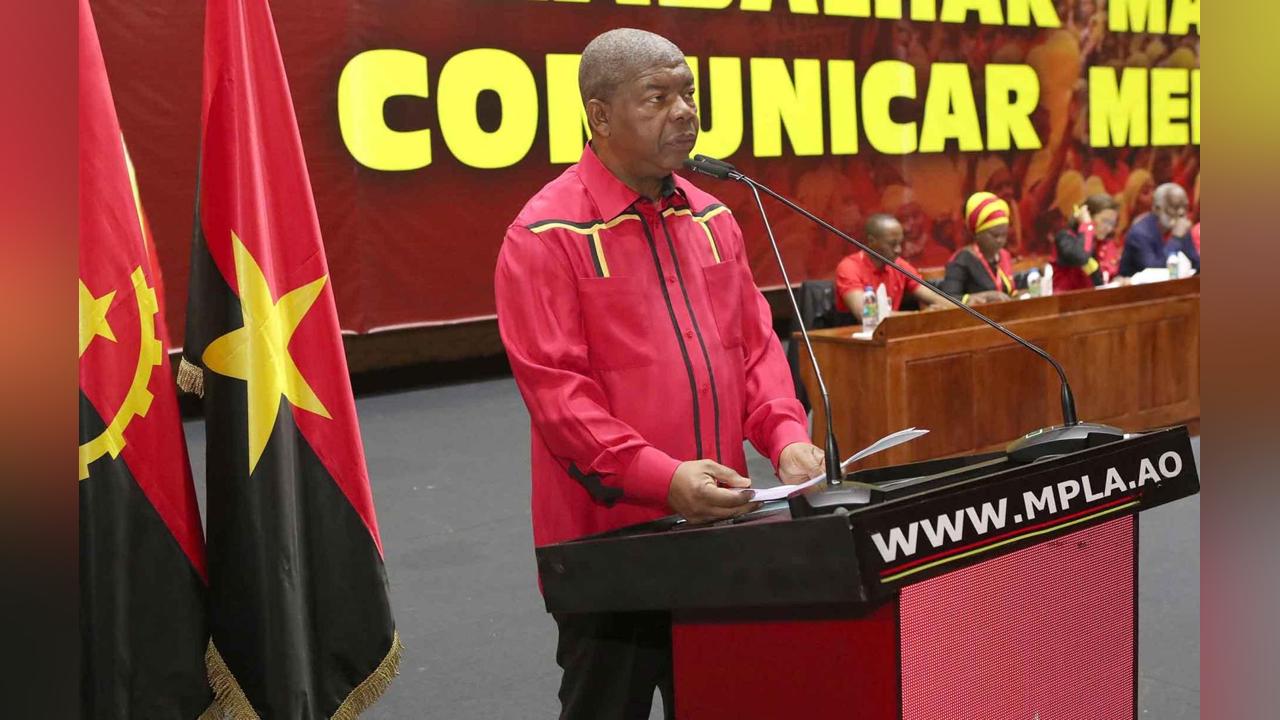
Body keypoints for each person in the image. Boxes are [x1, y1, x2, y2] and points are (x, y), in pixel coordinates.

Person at [493, 29, 825, 720]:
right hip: (608, 544)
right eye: (658, 97)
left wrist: (787, 437)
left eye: (688, 94)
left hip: (720, 528)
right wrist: (663, 478)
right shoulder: (545, 236)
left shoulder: (713, 219)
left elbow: (755, 351)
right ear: (600, 115)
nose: (683, 112)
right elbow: (560, 400)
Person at [834, 213, 947, 318]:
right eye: (892, 244)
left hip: (891, 329)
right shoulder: (849, 267)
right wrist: (918, 316)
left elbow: (934, 297)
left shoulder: (899, 265)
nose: (898, 250)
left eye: (900, 243)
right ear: (871, 241)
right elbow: (865, 314)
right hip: (854, 331)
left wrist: (953, 307)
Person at [940, 192, 1024, 304]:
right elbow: (947, 299)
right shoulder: (961, 260)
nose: (1000, 240)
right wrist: (985, 296)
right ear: (977, 234)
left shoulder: (1004, 255)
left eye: (1004, 235)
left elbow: (1010, 292)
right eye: (995, 235)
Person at [1118, 182, 1201, 277]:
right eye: (1175, 207)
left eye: (1185, 207)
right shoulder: (1139, 234)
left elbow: (1196, 263)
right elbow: (1154, 269)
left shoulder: (1180, 228)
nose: (1181, 212)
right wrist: (1176, 238)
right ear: (1157, 209)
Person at [1051, 193, 1121, 291]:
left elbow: (1109, 277)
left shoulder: (1107, 244)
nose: (1109, 228)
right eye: (1105, 221)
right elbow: (1081, 256)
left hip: (1099, 298)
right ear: (1089, 216)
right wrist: (1087, 225)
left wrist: (1119, 280)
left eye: (1112, 223)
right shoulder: (1065, 238)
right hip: (1068, 299)